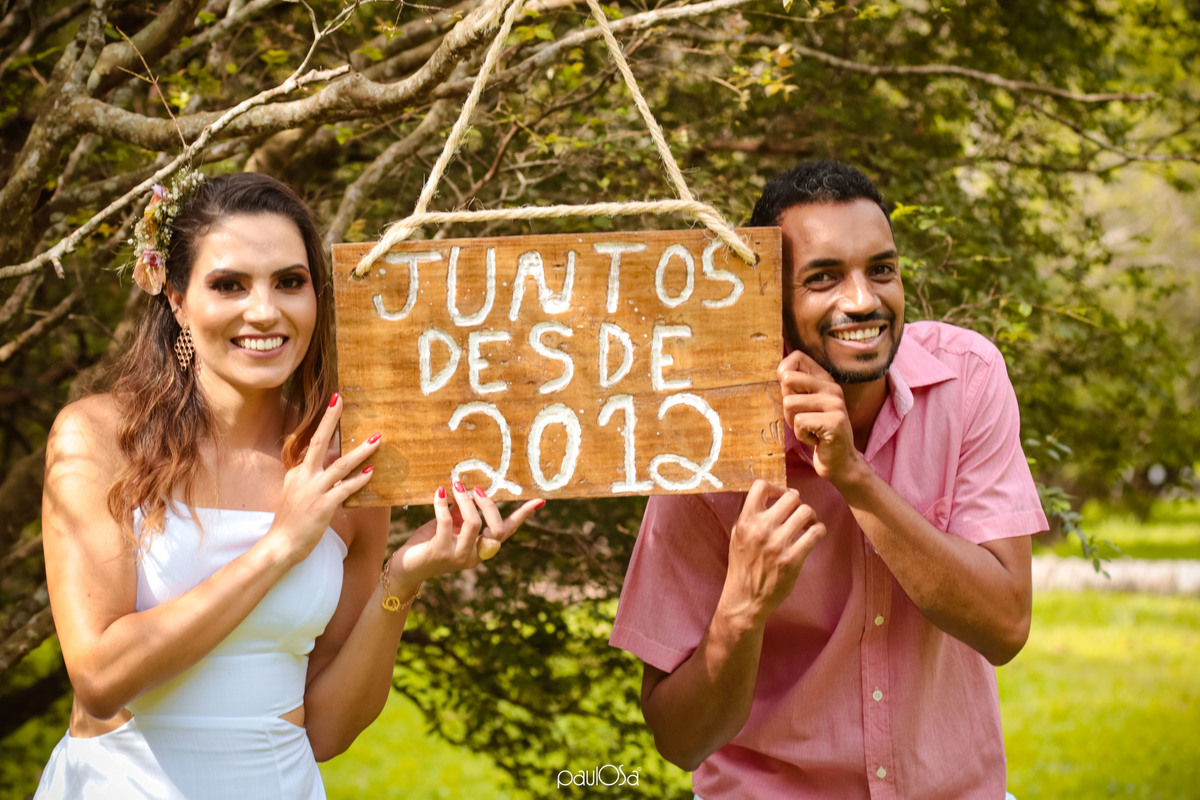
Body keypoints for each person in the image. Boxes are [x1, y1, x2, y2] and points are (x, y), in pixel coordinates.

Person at [35, 171, 542, 799]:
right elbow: (100, 678)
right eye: (229, 284)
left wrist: (403, 579)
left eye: (290, 282)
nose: (265, 311)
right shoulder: (100, 438)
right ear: (176, 298)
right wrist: (280, 545)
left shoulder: (345, 466)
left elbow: (326, 730)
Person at [610, 160, 1047, 799]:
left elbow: (1005, 627)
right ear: (771, 302)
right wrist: (741, 608)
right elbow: (679, 741)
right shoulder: (702, 435)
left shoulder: (969, 379)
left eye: (881, 270)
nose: (863, 300)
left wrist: (853, 476)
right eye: (823, 277)